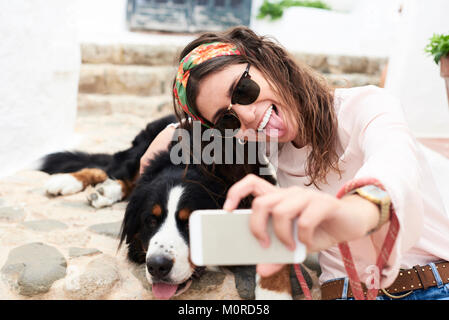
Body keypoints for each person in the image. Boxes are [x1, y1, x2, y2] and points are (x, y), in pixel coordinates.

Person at [140, 26, 449, 300]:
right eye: (226, 120)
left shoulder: (367, 106)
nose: (247, 116)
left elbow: (394, 161)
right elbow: (180, 131)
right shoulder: (267, 145)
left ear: (267, 62)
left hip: (432, 285)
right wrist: (153, 155)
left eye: (242, 89)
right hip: (342, 292)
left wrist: (351, 212)